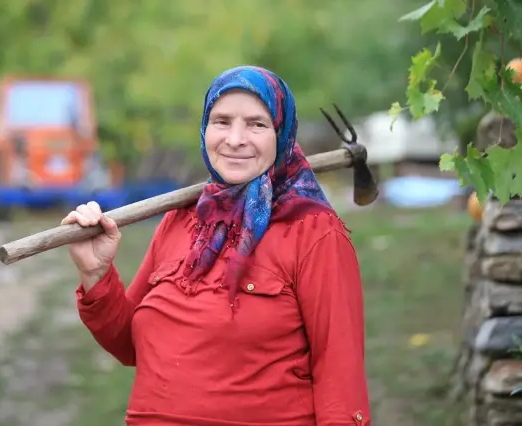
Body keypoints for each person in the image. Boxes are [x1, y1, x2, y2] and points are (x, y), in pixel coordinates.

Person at [62, 65, 371, 426]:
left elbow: (340, 374)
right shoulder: (179, 221)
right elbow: (131, 345)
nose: (235, 139)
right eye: (222, 121)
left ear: (282, 134)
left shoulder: (315, 234)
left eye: (256, 124)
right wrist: (96, 273)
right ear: (205, 129)